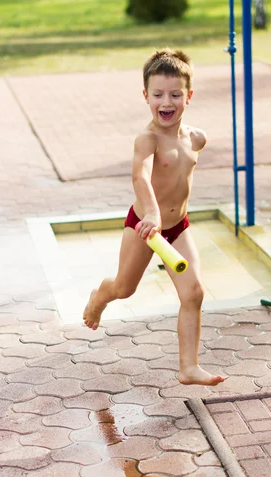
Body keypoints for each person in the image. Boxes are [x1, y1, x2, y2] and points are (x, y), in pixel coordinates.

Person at [83, 48, 225, 386]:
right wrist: (151, 212)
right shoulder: (147, 139)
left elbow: (180, 173)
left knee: (194, 293)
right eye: (158, 94)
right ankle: (99, 297)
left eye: (175, 94)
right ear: (145, 96)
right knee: (124, 288)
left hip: (177, 228)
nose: (167, 101)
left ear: (189, 96)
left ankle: (188, 367)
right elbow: (141, 176)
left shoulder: (197, 138)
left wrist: (169, 216)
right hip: (146, 226)